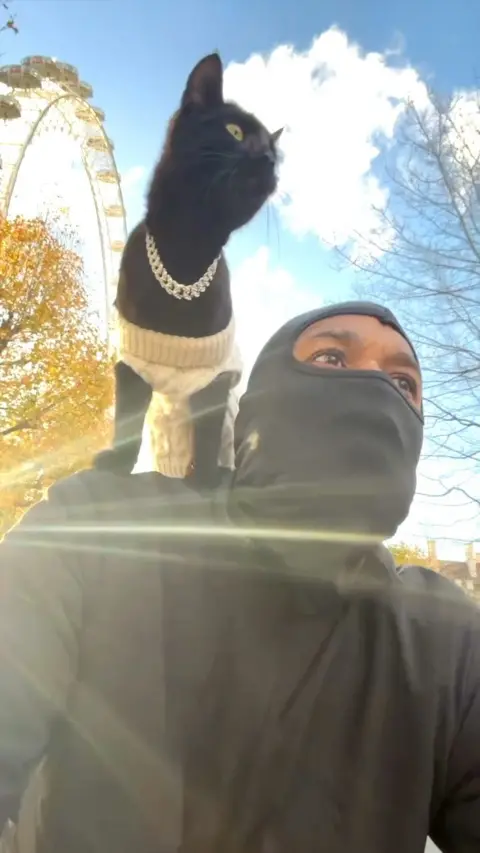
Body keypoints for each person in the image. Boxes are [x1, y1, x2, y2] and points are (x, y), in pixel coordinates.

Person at [0, 301, 479, 853]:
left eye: (402, 381)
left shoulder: (447, 640)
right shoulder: (99, 531)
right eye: (332, 357)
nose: (376, 386)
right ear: (260, 405)